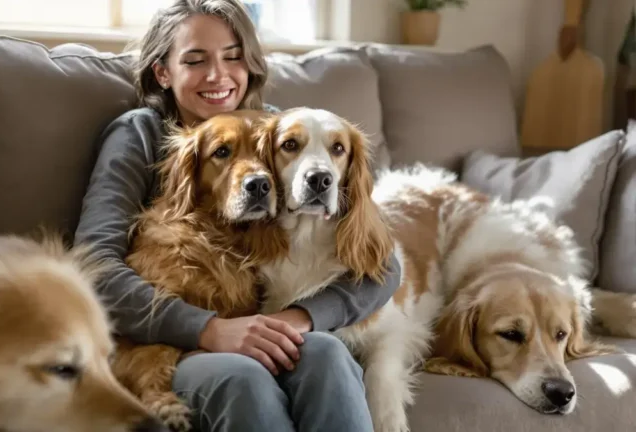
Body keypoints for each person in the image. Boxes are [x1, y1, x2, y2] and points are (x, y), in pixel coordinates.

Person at [73, 1, 402, 431]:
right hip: (171, 343)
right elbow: (94, 267)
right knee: (243, 378)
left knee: (327, 352)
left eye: (233, 57)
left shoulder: (280, 132)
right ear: (163, 72)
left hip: (261, 321)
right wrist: (206, 329)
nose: (218, 75)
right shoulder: (139, 133)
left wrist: (297, 320)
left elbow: (382, 265)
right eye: (195, 60)